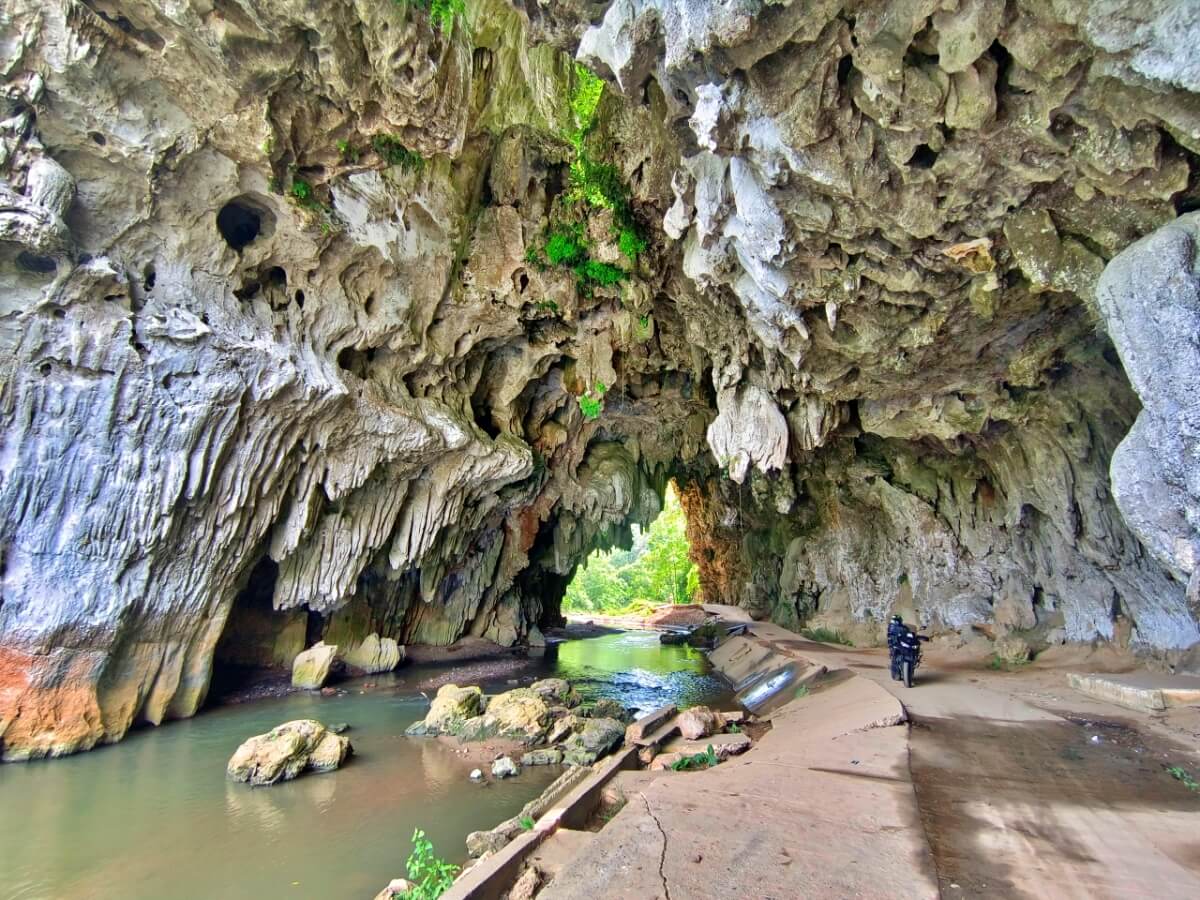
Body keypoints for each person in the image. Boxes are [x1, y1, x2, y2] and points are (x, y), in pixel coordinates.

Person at [887, 615, 905, 680]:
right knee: (894, 658)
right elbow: (890, 638)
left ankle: (898, 674)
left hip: (901, 645)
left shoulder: (902, 627)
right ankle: (896, 674)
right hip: (895, 645)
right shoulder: (891, 627)